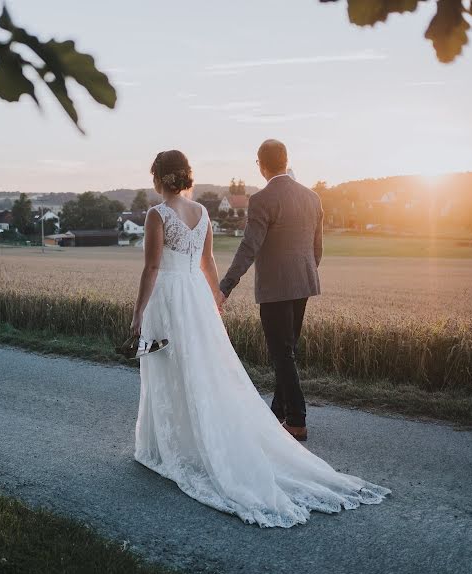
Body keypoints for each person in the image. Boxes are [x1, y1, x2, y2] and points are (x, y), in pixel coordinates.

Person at [130, 148, 389, 527]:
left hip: (172, 298)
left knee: (173, 367)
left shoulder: (159, 214)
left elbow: (154, 266)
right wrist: (215, 297)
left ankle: (177, 443)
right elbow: (211, 264)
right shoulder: (204, 214)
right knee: (211, 367)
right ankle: (260, 421)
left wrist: (140, 311)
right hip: (211, 297)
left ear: (158, 177)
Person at [219, 139, 320, 441]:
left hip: (276, 288)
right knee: (287, 352)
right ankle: (277, 413)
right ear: (286, 160)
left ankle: (297, 420)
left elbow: (249, 247)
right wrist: (303, 273)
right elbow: (317, 249)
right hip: (303, 283)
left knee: (282, 354)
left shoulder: (262, 199)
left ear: (260, 165)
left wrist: (226, 286)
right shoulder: (312, 197)